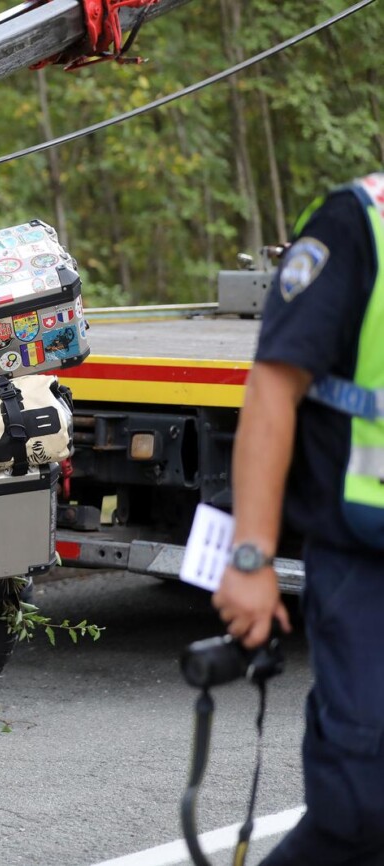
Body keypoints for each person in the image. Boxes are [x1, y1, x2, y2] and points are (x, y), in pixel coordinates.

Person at [213, 171, 384, 864]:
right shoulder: (358, 224)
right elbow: (273, 390)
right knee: (360, 799)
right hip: (364, 560)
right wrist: (251, 557)